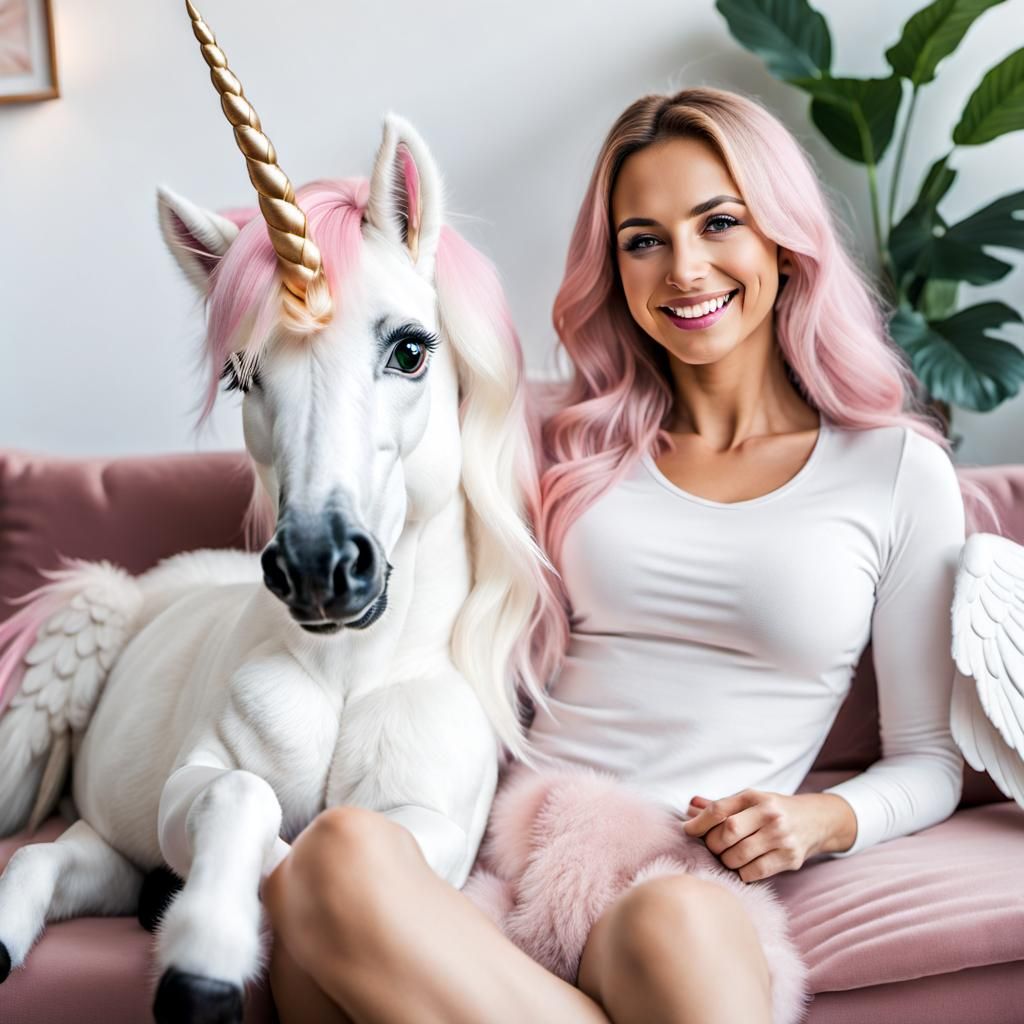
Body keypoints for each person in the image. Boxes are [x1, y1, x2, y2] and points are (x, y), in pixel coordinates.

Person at [262, 87, 992, 1024]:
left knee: (674, 921)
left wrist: (820, 818)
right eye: (643, 239)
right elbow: (356, 432)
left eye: (718, 223)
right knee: (331, 858)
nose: (684, 270)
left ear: (783, 237)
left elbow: (930, 759)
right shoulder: (557, 442)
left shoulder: (897, 471)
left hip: (682, 868)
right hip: (508, 864)